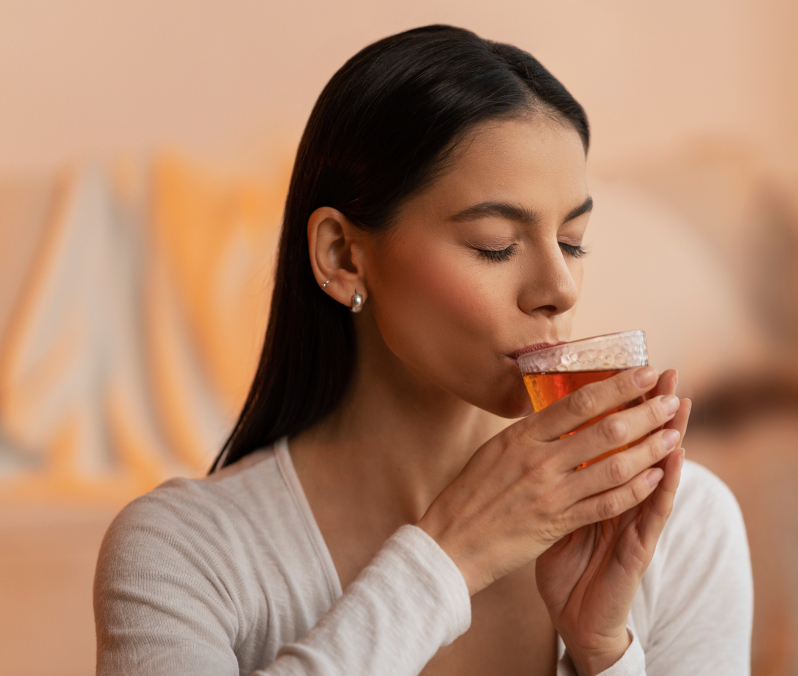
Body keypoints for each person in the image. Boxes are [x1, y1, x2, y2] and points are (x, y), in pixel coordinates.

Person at [94, 25, 752, 676]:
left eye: (573, 241)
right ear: (343, 256)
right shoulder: (180, 552)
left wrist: (604, 655)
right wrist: (449, 558)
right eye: (495, 243)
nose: (558, 288)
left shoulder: (680, 524)